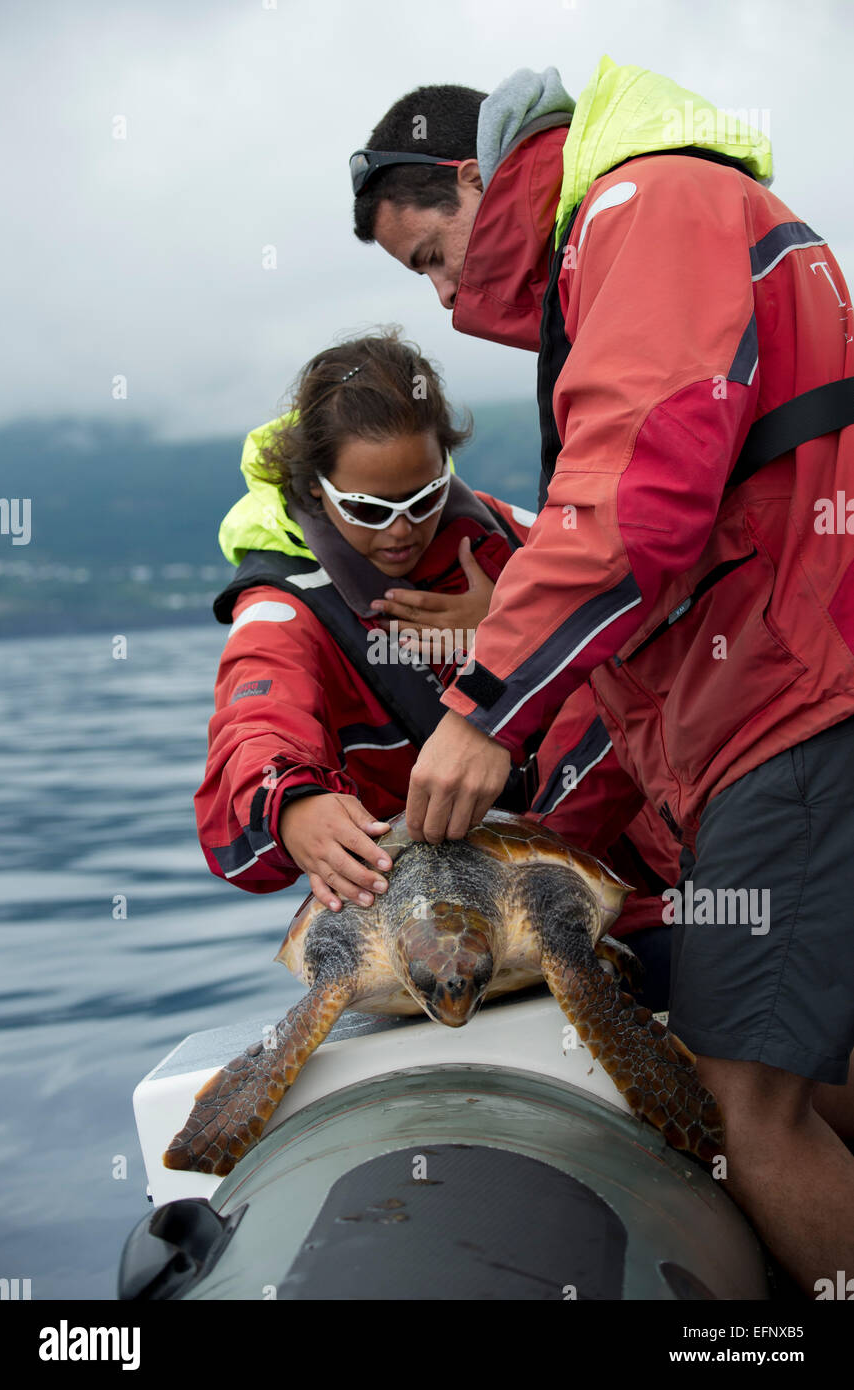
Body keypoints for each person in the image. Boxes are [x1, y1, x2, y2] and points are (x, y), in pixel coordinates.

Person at [349, 58, 854, 1291]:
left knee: (746, 1107)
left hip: (790, 712)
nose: (444, 290)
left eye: (430, 251)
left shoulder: (645, 207)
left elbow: (636, 495)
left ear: (477, 178)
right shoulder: (653, 224)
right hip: (792, 699)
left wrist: (481, 709)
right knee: (823, 1066)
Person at [193, 328, 678, 1005]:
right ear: (312, 487)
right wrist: (291, 804)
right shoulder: (283, 612)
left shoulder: (524, 544)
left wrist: (510, 632)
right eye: (368, 509)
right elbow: (253, 727)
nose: (400, 530)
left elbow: (667, 642)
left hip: (635, 891)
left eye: (423, 499)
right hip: (437, 935)